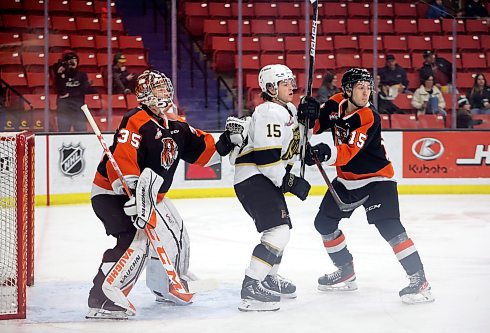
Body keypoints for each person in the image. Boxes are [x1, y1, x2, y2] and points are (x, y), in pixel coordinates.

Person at [86, 69, 238, 319]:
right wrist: (132, 192)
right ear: (145, 94)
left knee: (177, 235)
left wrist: (229, 140)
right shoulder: (136, 119)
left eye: (166, 88)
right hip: (114, 194)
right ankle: (101, 299)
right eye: (158, 89)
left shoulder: (174, 124)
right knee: (135, 243)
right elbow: (124, 158)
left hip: (150, 196)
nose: (165, 93)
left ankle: (164, 286)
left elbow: (204, 151)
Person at [304, 68, 434, 305]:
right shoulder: (335, 105)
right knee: (323, 223)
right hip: (347, 181)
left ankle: (419, 279)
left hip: (377, 180)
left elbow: (347, 153)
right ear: (347, 90)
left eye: (368, 88)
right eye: (360, 88)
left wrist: (322, 153)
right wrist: (306, 114)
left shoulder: (369, 116)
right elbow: (312, 128)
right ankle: (346, 270)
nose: (366, 93)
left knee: (390, 228)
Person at [229, 64, 315, 312]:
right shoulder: (268, 111)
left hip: (263, 178)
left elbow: (289, 147)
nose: (291, 86)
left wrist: (308, 132)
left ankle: (267, 276)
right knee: (278, 231)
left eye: (291, 81)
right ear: (270, 88)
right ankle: (251, 287)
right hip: (254, 177)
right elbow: (267, 159)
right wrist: (290, 181)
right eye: (284, 83)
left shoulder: (287, 109)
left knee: (282, 230)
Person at [52, 51, 90, 132]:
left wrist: (69, 94)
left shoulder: (82, 75)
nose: (72, 63)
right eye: (70, 61)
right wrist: (60, 75)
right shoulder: (60, 74)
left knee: (81, 132)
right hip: (64, 109)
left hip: (78, 108)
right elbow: (60, 91)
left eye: (75, 60)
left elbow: (83, 90)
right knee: (63, 132)